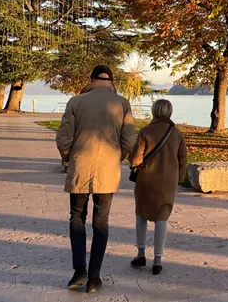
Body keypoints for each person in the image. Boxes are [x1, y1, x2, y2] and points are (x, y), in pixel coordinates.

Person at [56, 65, 136, 293]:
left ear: (91, 80)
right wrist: (117, 156)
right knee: (101, 221)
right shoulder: (121, 103)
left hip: (80, 165)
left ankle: (78, 269)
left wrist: (67, 157)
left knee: (76, 217)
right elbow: (129, 139)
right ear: (111, 81)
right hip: (108, 169)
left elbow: (63, 136)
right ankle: (94, 277)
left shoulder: (75, 102)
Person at [128, 99, 188, 275]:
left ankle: (140, 254)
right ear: (169, 111)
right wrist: (178, 178)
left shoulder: (146, 131)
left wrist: (132, 162)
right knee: (162, 217)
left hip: (146, 179)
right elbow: (183, 158)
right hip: (168, 181)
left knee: (141, 215)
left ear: (154, 111)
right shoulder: (176, 133)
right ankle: (158, 260)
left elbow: (136, 158)